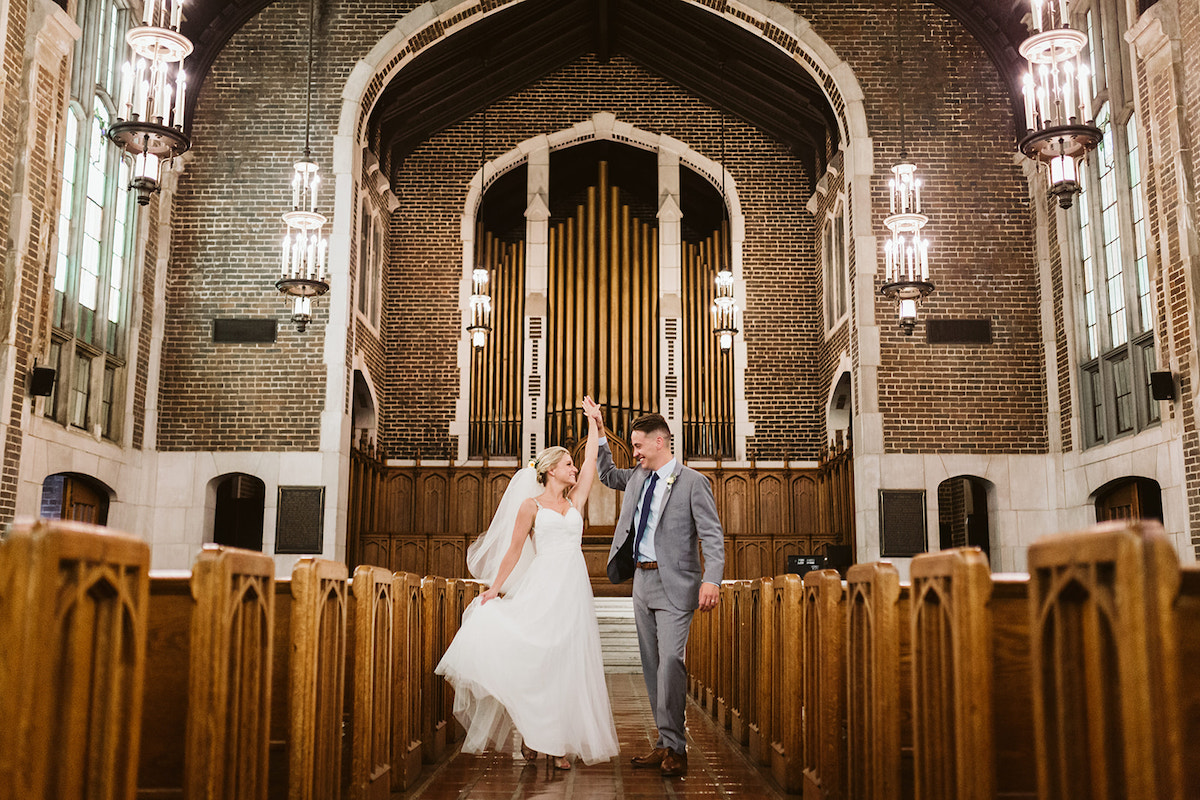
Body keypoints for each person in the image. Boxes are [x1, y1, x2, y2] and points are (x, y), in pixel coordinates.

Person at [434, 398, 618, 770]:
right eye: (567, 463)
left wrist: (595, 423)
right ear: (551, 470)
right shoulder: (530, 507)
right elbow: (513, 552)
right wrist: (493, 587)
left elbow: (592, 463)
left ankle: (554, 742)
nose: (573, 468)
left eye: (572, 464)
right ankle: (538, 735)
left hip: (573, 589)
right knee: (539, 660)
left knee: (565, 662)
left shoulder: (576, 501)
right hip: (543, 585)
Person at [590, 407, 724, 777]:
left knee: (671, 663)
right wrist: (600, 431)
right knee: (651, 667)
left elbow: (712, 535)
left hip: (675, 584)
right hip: (642, 582)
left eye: (637, 445)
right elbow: (605, 473)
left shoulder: (693, 482)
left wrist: (712, 579)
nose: (634, 452)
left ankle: (677, 747)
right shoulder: (637, 476)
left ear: (659, 441)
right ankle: (665, 743)